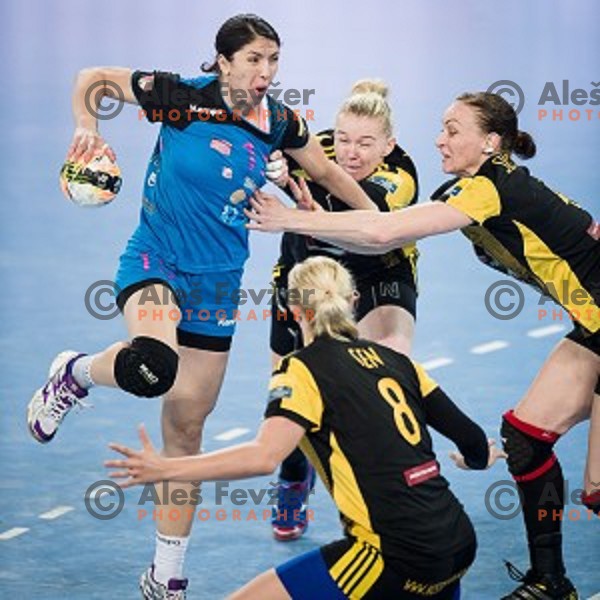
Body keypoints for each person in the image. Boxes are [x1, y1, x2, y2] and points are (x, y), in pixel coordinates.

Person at [26, 13, 376, 600]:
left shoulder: (280, 124)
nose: (264, 73)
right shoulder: (180, 95)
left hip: (218, 284)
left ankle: (166, 575)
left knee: (186, 432)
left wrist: (382, 224)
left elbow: (327, 172)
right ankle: (76, 373)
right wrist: (87, 129)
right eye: (254, 60)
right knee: (152, 366)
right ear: (222, 61)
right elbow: (93, 78)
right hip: (156, 259)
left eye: (273, 61)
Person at [246, 91, 600, 599]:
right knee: (525, 439)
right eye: (442, 127)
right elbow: (374, 233)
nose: (440, 138)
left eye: (454, 130)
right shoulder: (472, 189)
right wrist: (308, 214)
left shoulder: (489, 189)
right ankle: (551, 582)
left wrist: (290, 219)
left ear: (491, 142)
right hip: (593, 326)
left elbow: (383, 230)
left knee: (596, 487)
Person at [106, 255, 506, 600]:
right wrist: (476, 458)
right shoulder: (399, 362)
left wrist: (166, 469)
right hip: (457, 542)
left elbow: (265, 457)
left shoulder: (301, 369)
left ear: (295, 311)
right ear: (353, 302)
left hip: (391, 555)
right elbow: (473, 442)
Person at [268, 80, 419, 541]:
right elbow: (260, 151)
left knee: (380, 378)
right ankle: (295, 476)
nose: (350, 153)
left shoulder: (401, 175)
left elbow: (370, 223)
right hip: (307, 271)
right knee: (290, 395)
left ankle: (383, 494)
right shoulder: (318, 147)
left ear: (388, 144)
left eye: (366, 143)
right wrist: (273, 166)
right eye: (344, 139)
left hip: (378, 274)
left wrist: (300, 206)